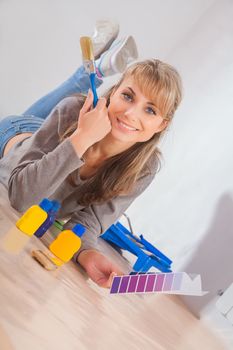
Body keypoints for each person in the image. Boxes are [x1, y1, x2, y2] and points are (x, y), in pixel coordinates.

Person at [0, 21, 182, 288]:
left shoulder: (145, 167)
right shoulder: (74, 111)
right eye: (128, 96)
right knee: (71, 104)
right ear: (115, 92)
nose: (131, 114)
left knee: (71, 107)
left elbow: (92, 220)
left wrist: (86, 253)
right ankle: (93, 71)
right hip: (15, 137)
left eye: (150, 110)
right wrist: (82, 138)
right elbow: (20, 197)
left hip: (53, 137)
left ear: (162, 125)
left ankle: (98, 67)